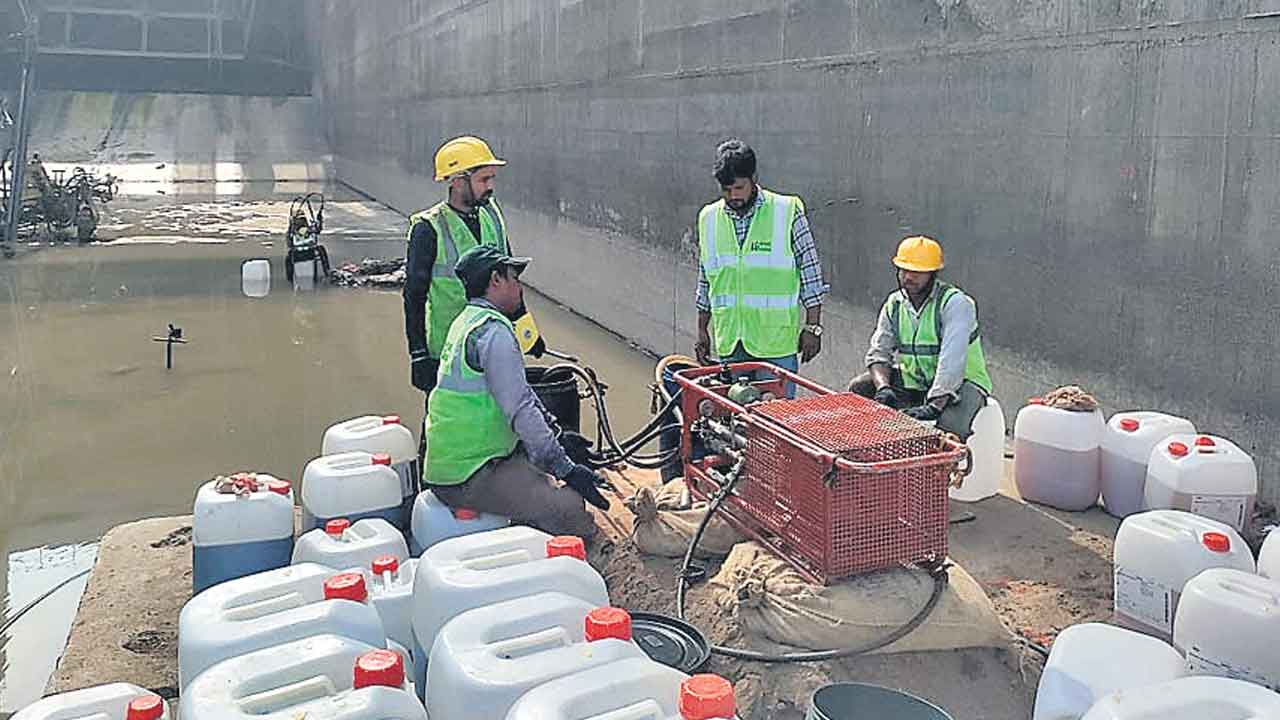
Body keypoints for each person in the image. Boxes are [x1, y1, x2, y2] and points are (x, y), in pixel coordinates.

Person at [423, 244, 608, 540]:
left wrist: (558, 435)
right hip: (470, 475)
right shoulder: (493, 333)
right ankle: (590, 557)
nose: (520, 287)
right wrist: (566, 470)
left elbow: (520, 393)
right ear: (495, 280)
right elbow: (520, 408)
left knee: (540, 481)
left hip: (460, 463)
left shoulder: (466, 322)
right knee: (570, 508)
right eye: (514, 277)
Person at [404, 135, 511, 463]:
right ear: (456, 180)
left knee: (496, 420)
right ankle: (431, 490)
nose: (490, 186)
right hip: (449, 351)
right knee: (444, 426)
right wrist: (419, 354)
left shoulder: (492, 214)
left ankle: (489, 482)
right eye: (483, 179)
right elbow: (414, 296)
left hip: (494, 343)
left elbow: (509, 277)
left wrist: (525, 328)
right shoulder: (429, 229)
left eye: (491, 178)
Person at [694, 139, 826, 391]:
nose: (733, 196)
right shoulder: (708, 218)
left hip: (775, 346)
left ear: (754, 177)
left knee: (774, 422)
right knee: (732, 424)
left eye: (739, 187)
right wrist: (702, 329)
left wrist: (813, 327)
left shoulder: (786, 211)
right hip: (731, 344)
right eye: (726, 189)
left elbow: (810, 271)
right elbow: (706, 278)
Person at [848, 236, 993, 436]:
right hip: (917, 381)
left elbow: (952, 363)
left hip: (962, 384)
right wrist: (883, 388)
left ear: (933, 273)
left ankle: (944, 466)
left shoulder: (956, 304)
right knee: (859, 389)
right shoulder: (894, 304)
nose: (909, 277)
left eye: (917, 272)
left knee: (950, 426)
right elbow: (879, 354)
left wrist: (934, 406)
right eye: (904, 270)